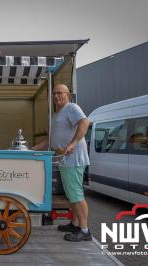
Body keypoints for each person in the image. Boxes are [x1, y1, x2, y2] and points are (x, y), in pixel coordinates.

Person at [33, 84, 91, 241]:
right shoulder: (56, 114)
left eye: (60, 93)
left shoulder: (71, 107)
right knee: (72, 194)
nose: (57, 96)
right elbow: (49, 140)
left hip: (73, 158)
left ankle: (84, 230)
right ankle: (75, 223)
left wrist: (72, 144)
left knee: (76, 194)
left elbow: (85, 122)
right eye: (55, 93)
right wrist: (31, 149)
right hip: (64, 159)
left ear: (68, 95)